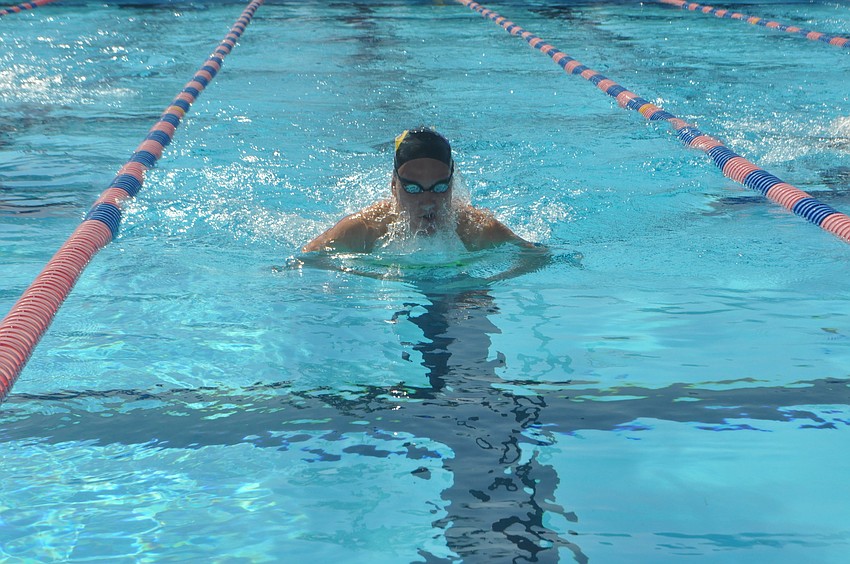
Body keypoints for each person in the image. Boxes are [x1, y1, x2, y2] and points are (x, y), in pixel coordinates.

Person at [302, 128, 535, 253]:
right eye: (413, 189)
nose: (427, 201)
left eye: (440, 187)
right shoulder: (364, 230)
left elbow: (534, 258)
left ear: (452, 184)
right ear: (394, 186)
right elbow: (305, 260)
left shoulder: (478, 231)